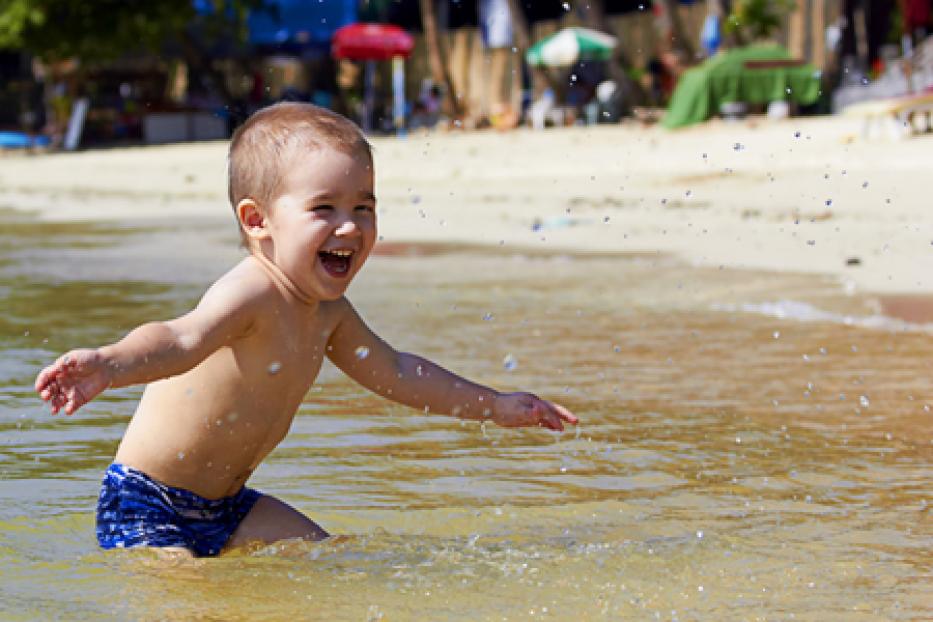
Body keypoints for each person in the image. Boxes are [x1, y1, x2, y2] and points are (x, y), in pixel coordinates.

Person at [34, 102, 578, 558]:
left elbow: (395, 372)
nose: (350, 226)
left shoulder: (329, 313)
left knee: (331, 558)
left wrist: (497, 405)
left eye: (364, 207)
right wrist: (108, 363)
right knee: (189, 599)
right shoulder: (250, 291)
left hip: (230, 508)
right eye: (324, 208)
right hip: (149, 503)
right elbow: (179, 340)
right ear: (257, 221)